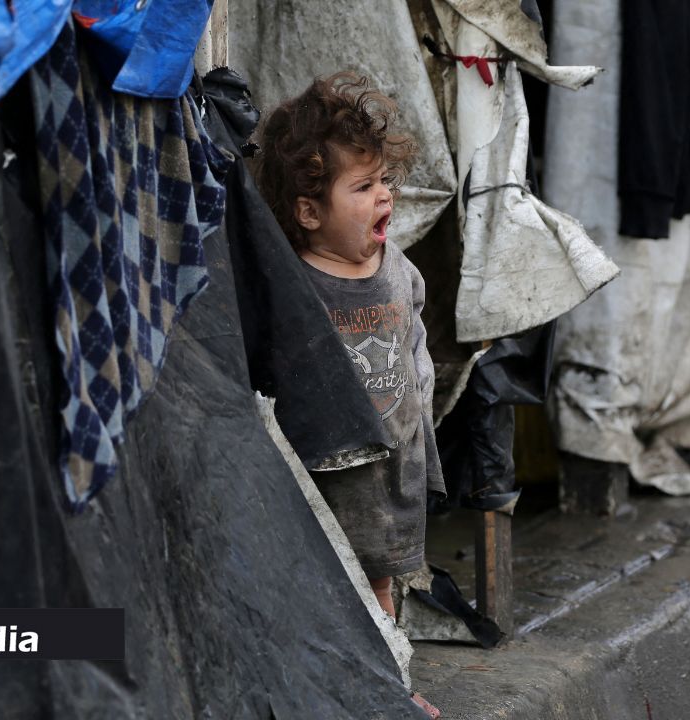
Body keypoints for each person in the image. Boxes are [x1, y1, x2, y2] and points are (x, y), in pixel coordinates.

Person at [254, 72, 445, 719]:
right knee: (325, 586)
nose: (383, 195)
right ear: (309, 212)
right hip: (325, 478)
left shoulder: (397, 269)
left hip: (390, 471)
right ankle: (333, 693)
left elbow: (415, 346)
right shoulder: (297, 286)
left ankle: (389, 688)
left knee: (381, 584)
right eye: (362, 187)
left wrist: (421, 429)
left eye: (384, 180)